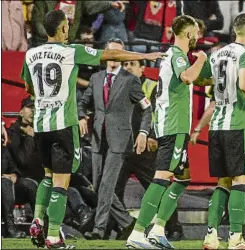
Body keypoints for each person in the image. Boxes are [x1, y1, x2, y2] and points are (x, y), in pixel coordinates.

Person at [20, 9, 164, 249]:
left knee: (47, 175)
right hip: (63, 125)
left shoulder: (31, 54)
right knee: (61, 182)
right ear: (63, 28)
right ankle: (53, 236)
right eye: (67, 25)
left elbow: (28, 86)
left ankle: (37, 220)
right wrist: (146, 57)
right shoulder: (71, 51)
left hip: (41, 126)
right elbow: (111, 54)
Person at [125, 15, 210, 249]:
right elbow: (188, 76)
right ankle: (138, 233)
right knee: (161, 178)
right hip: (173, 125)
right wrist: (202, 58)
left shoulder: (173, 56)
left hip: (174, 125)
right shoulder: (177, 55)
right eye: (196, 32)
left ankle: (159, 229)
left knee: (183, 179)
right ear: (188, 34)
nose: (198, 37)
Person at [202, 13, 245, 250]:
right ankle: (235, 238)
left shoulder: (217, 54)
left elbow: (203, 81)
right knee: (241, 180)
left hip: (217, 124)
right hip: (237, 124)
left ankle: (211, 236)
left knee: (223, 182)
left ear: (234, 31)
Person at [77, 37, 157, 240]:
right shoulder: (96, 78)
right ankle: (128, 223)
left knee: (106, 185)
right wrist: (81, 117)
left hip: (119, 139)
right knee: (97, 185)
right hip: (97, 138)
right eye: (110, 52)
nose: (114, 57)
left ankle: (99, 229)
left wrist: (143, 132)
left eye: (117, 53)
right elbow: (83, 102)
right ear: (105, 54)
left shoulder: (130, 80)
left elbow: (147, 109)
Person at [116, 59, 183, 241]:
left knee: (158, 186)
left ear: (142, 68)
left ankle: (173, 227)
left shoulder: (152, 86)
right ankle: (122, 227)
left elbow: (159, 111)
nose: (128, 67)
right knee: (114, 191)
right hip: (123, 147)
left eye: (132, 64)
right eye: (126, 64)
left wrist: (152, 135)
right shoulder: (119, 85)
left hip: (146, 148)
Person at [31, 0, 127, 46]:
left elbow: (90, 5)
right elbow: (38, 23)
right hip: (43, 44)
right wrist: (54, 36)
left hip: (67, 44)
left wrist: (110, 4)